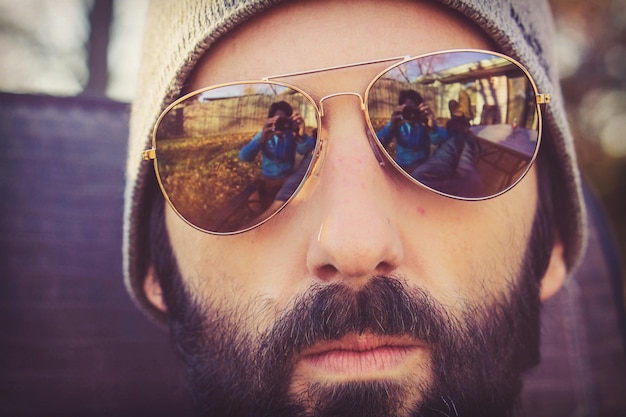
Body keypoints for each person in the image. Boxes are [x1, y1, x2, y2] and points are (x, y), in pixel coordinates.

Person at [123, 0, 588, 416]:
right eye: (272, 111)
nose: (355, 248)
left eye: (419, 99)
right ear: (156, 269)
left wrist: (427, 130)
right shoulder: (267, 144)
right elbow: (249, 161)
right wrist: (263, 143)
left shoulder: (422, 134)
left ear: (553, 244)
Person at [239, 100, 315, 210]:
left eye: (283, 120)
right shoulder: (265, 134)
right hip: (268, 180)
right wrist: (261, 140)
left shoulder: (291, 134)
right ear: (270, 120)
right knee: (254, 205)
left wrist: (301, 136)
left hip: (287, 179)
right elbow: (244, 157)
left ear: (289, 121)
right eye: (277, 120)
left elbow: (307, 150)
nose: (280, 125)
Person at [376, 90, 448, 171]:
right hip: (401, 168)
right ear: (401, 109)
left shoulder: (425, 122)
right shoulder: (398, 122)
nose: (412, 114)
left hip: (422, 168)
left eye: (415, 111)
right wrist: (390, 129)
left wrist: (432, 129)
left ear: (421, 109)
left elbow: (442, 140)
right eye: (408, 110)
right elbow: (376, 145)